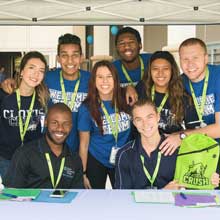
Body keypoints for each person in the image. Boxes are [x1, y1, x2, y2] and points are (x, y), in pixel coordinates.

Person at [0, 33, 91, 153]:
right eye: (64, 55)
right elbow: (29, 81)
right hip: (46, 148)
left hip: (78, 148)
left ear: (82, 57)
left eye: (75, 55)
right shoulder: (47, 77)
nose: (70, 60)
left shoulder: (92, 80)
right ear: (58, 58)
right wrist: (10, 82)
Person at [159, 38, 220, 156]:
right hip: (199, 151)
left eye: (195, 58)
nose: (190, 64)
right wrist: (128, 89)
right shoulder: (180, 83)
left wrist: (182, 136)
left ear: (206, 58)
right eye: (185, 59)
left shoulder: (217, 77)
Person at [3, 103, 83, 189]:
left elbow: (77, 196)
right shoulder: (25, 154)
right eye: (54, 123)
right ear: (45, 122)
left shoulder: (75, 159)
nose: (60, 128)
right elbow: (10, 193)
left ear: (71, 126)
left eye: (66, 124)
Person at [78, 60, 131, 189]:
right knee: (95, 201)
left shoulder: (127, 99)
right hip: (97, 159)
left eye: (109, 76)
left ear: (115, 79)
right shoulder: (87, 107)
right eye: (100, 77)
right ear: (94, 81)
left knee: (123, 200)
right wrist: (83, 173)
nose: (105, 81)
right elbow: (84, 144)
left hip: (123, 158)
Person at [0, 51, 49, 178]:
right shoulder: (5, 95)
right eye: (31, 68)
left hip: (33, 159)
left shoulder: (43, 99)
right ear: (21, 71)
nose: (36, 74)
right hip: (7, 159)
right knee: (12, 196)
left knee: (32, 196)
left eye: (41, 70)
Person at [115, 99, 182, 189]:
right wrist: (162, 193)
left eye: (149, 117)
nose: (145, 124)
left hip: (171, 203)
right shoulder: (124, 154)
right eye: (139, 120)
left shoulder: (176, 150)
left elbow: (185, 194)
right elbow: (123, 197)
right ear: (134, 123)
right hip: (135, 203)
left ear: (158, 117)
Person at [136, 51, 197, 134]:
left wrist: (178, 137)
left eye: (165, 68)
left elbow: (194, 129)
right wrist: (128, 88)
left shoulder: (183, 96)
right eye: (155, 69)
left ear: (172, 71)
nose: (160, 73)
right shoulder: (142, 88)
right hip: (145, 143)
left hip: (171, 145)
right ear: (150, 71)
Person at [113, 26, 151, 105]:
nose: (127, 47)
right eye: (122, 43)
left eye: (131, 42)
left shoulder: (152, 61)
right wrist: (124, 89)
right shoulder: (112, 69)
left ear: (140, 45)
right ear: (116, 48)